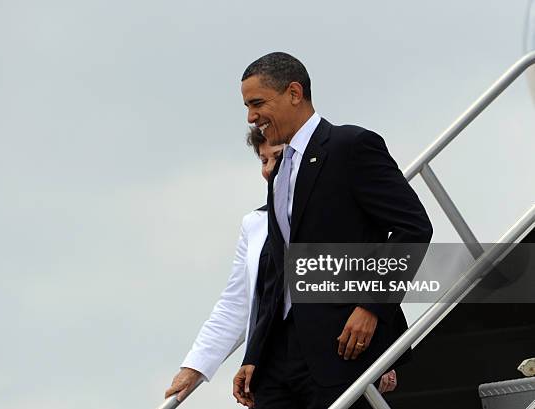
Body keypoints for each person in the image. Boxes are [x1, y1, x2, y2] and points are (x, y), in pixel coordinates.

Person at [233, 52, 432, 409]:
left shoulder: (351, 146)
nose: (251, 117)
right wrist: (254, 352)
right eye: (247, 106)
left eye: (258, 103)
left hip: (340, 346)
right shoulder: (279, 174)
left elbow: (413, 228)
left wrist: (372, 306)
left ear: (294, 93)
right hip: (279, 359)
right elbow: (277, 272)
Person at [165, 128, 398, 404]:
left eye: (277, 157)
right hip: (272, 363)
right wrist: (193, 368)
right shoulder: (254, 224)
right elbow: (236, 303)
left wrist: (381, 349)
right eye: (263, 161)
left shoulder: (335, 208)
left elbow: (369, 265)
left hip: (334, 353)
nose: (269, 170)